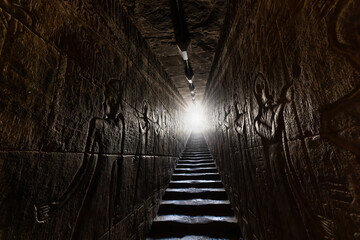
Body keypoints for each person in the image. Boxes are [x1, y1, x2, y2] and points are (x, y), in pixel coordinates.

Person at [35, 78, 125, 240]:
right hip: (111, 192)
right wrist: (117, 202)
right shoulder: (120, 125)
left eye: (107, 98)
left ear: (111, 100)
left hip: (98, 187)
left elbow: (86, 168)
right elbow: (120, 167)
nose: (104, 102)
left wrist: (61, 202)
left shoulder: (98, 124)